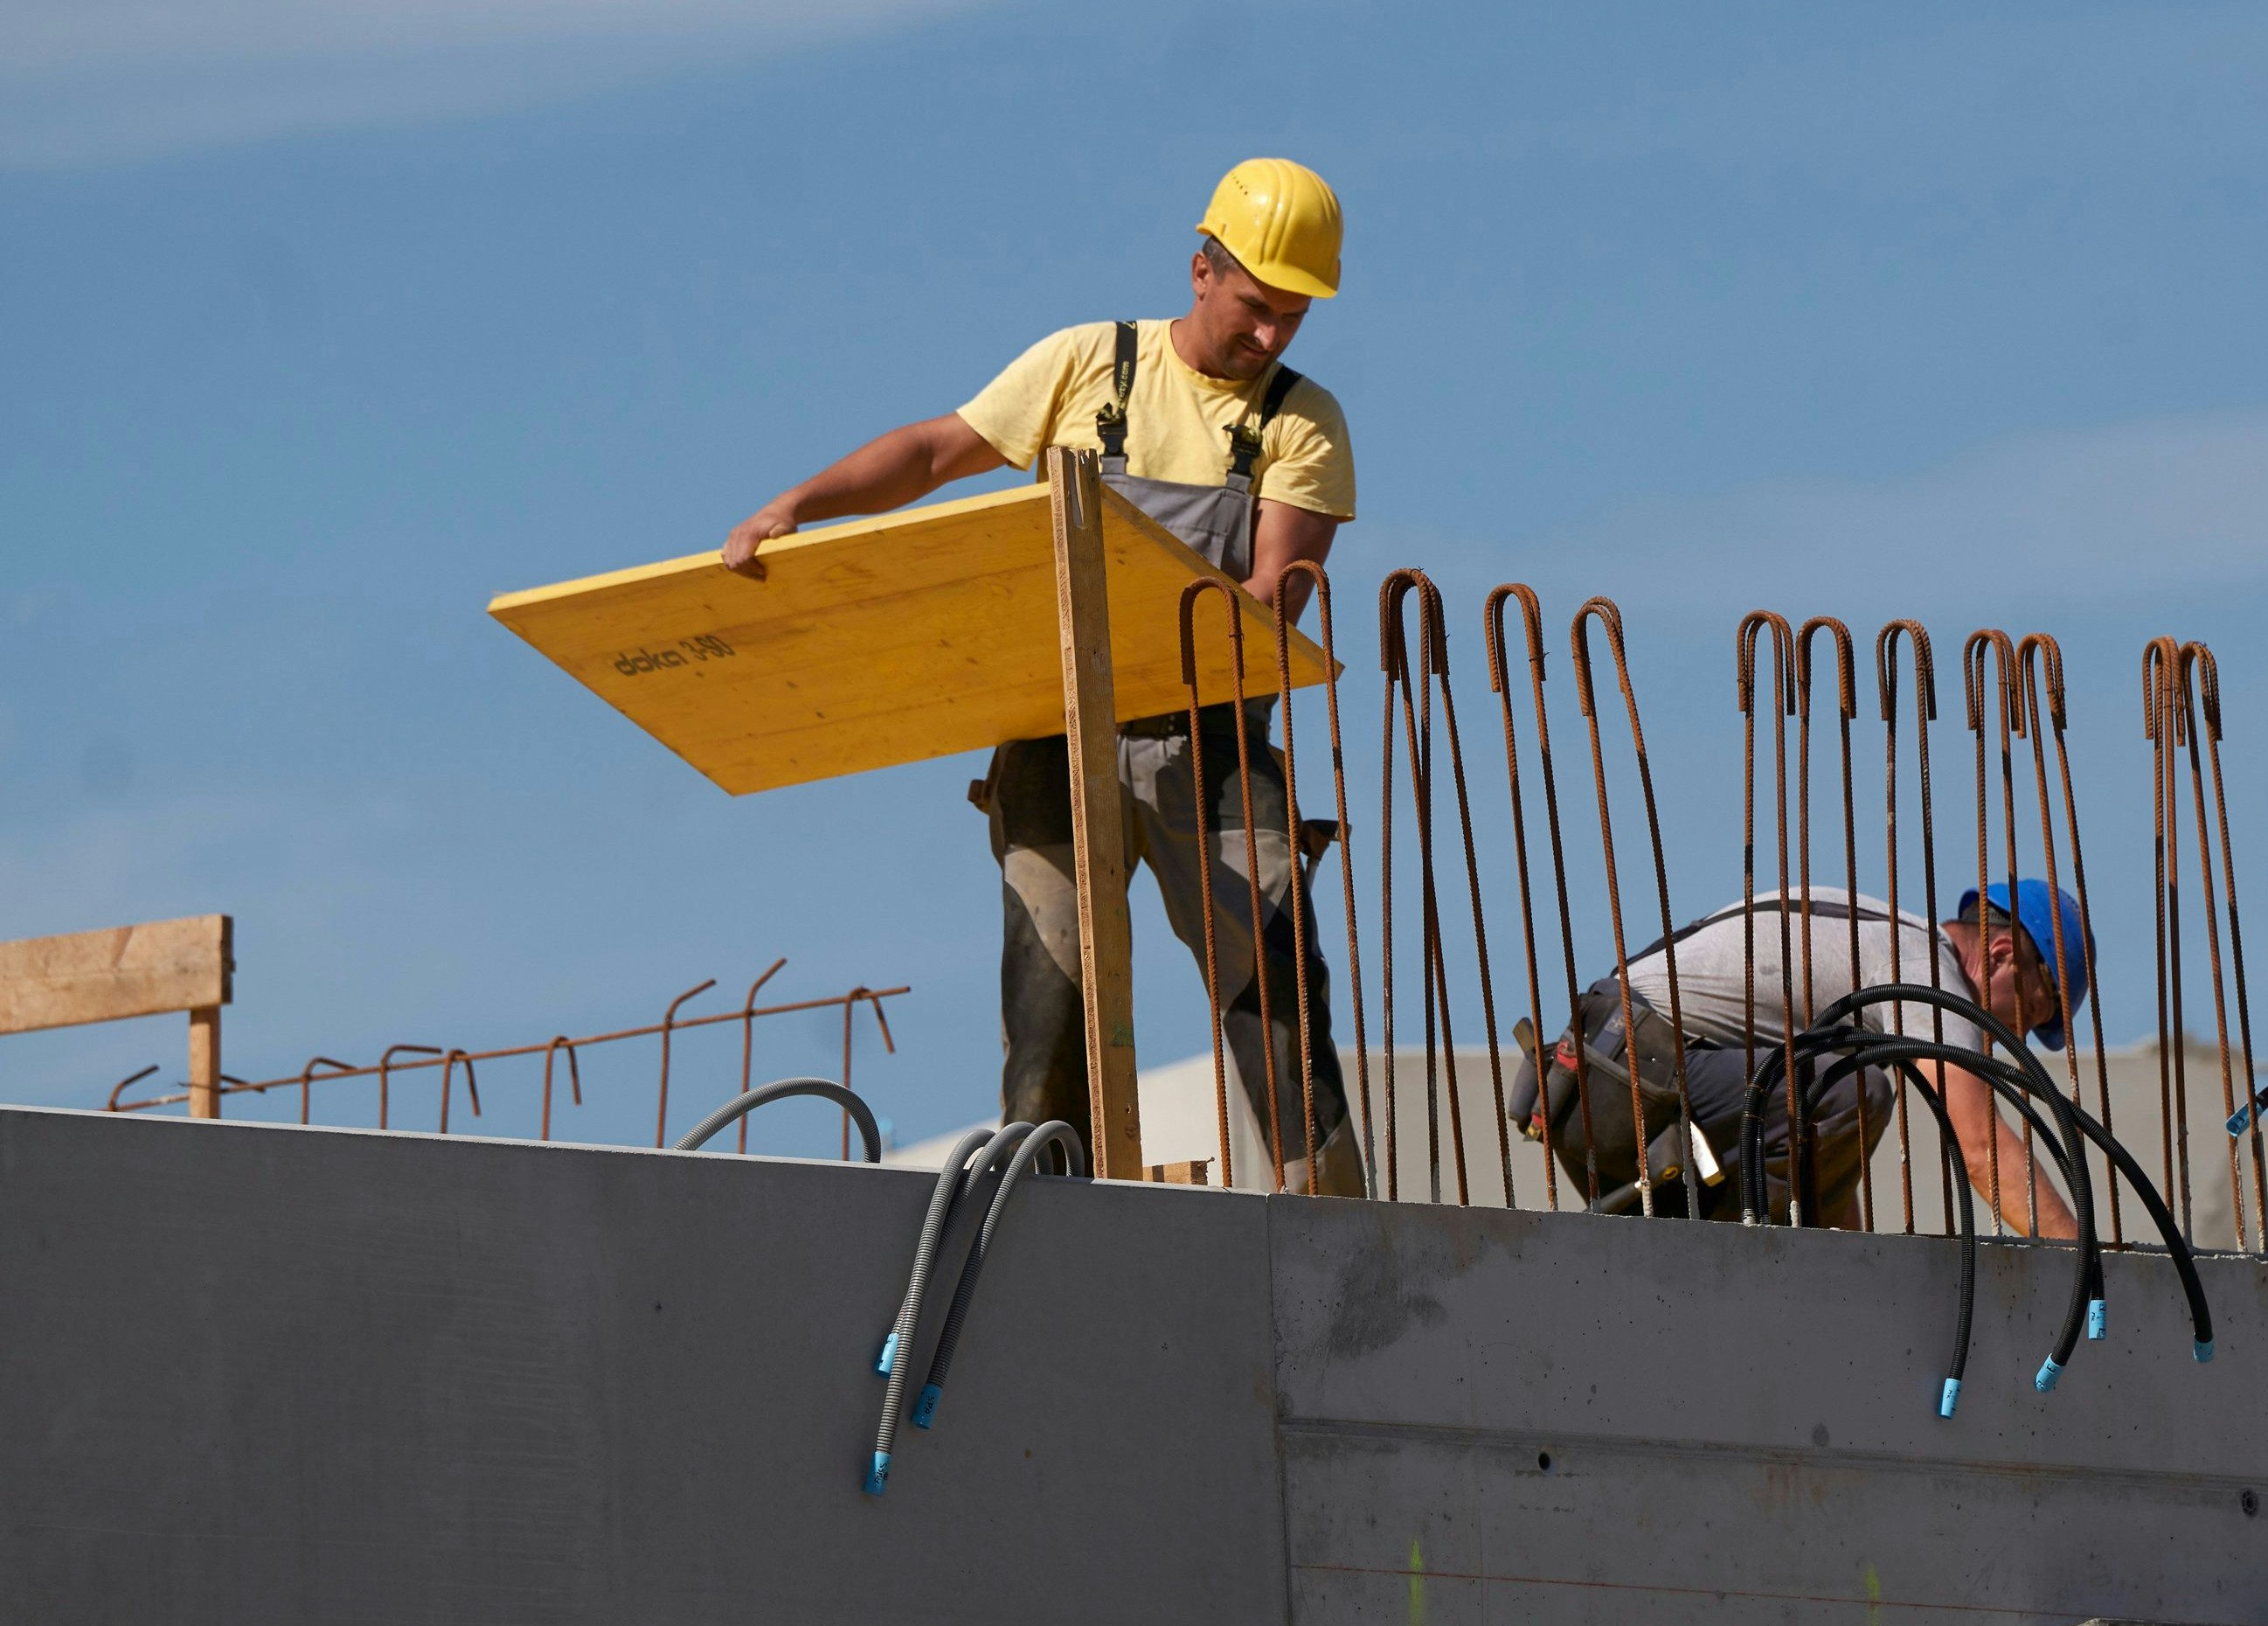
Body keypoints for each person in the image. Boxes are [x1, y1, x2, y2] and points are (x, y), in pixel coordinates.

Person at [721, 160, 1365, 1193]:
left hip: (1207, 740)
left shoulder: (1301, 420)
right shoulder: (1088, 365)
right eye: (1255, 309)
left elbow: (1268, 598)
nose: (1271, 338)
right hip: (1057, 729)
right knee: (1049, 1003)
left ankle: (1328, 1226)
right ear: (1201, 270)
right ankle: (1054, 1226)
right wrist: (801, 503)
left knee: (1276, 993)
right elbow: (934, 452)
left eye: (1292, 317)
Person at [1509, 880, 2091, 1234]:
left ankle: (1748, 1249)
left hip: (1597, 1087)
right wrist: (2081, 1259)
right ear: (1999, 956)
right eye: (2027, 1012)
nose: (2005, 1035)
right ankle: (1748, 1258)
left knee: (1832, 1094)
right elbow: (1983, 1150)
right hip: (1632, 1078)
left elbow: (1820, 1158)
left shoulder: (1885, 936)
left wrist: (1852, 1270)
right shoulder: (1922, 967)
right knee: (1856, 1091)